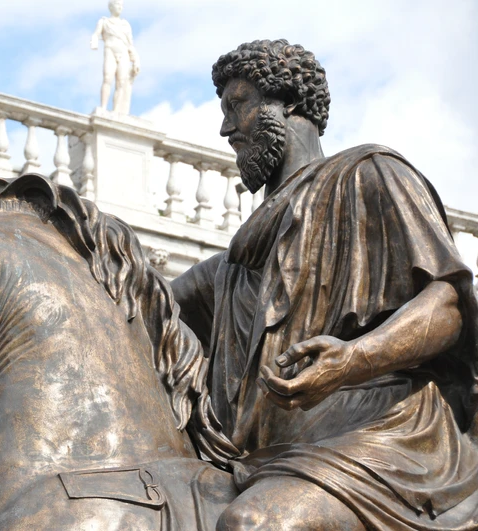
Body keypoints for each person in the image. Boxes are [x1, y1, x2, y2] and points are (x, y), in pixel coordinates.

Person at [173, 39, 478, 530]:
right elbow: (146, 303)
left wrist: (353, 359)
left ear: (290, 101)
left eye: (238, 105)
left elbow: (449, 307)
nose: (226, 129)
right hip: (273, 452)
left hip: (385, 430)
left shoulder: (370, 174)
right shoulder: (233, 265)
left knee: (255, 524)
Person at [90, 0, 140, 114]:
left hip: (123, 53)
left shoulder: (125, 25)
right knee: (108, 77)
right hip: (110, 50)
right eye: (118, 4)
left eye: (121, 5)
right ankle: (103, 107)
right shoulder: (104, 22)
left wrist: (136, 60)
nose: (120, 7)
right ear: (111, 6)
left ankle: (116, 110)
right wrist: (94, 42)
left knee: (121, 82)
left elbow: (130, 45)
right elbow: (96, 34)